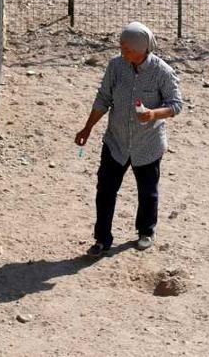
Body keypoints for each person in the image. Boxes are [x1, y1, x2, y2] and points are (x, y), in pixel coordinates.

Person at [74, 21, 183, 256]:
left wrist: (153, 114)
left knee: (147, 192)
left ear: (143, 49)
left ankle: (146, 232)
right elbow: (103, 98)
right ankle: (102, 239)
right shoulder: (116, 66)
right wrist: (87, 128)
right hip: (116, 142)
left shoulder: (162, 71)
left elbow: (176, 105)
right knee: (105, 190)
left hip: (148, 143)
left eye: (127, 49)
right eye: (121, 48)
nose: (123, 53)